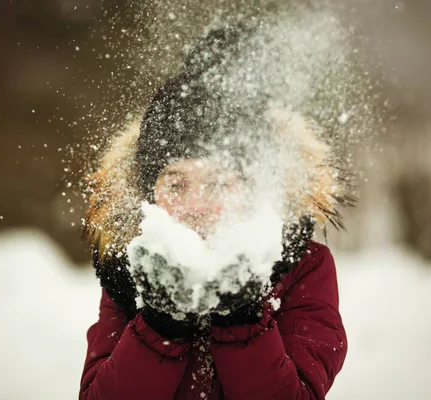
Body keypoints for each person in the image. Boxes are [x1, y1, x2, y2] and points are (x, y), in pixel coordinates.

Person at [79, 27, 350, 400]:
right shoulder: (130, 266)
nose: (197, 205)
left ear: (255, 189)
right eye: (176, 185)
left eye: (219, 184)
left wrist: (242, 318)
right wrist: (160, 323)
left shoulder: (303, 266)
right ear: (149, 195)